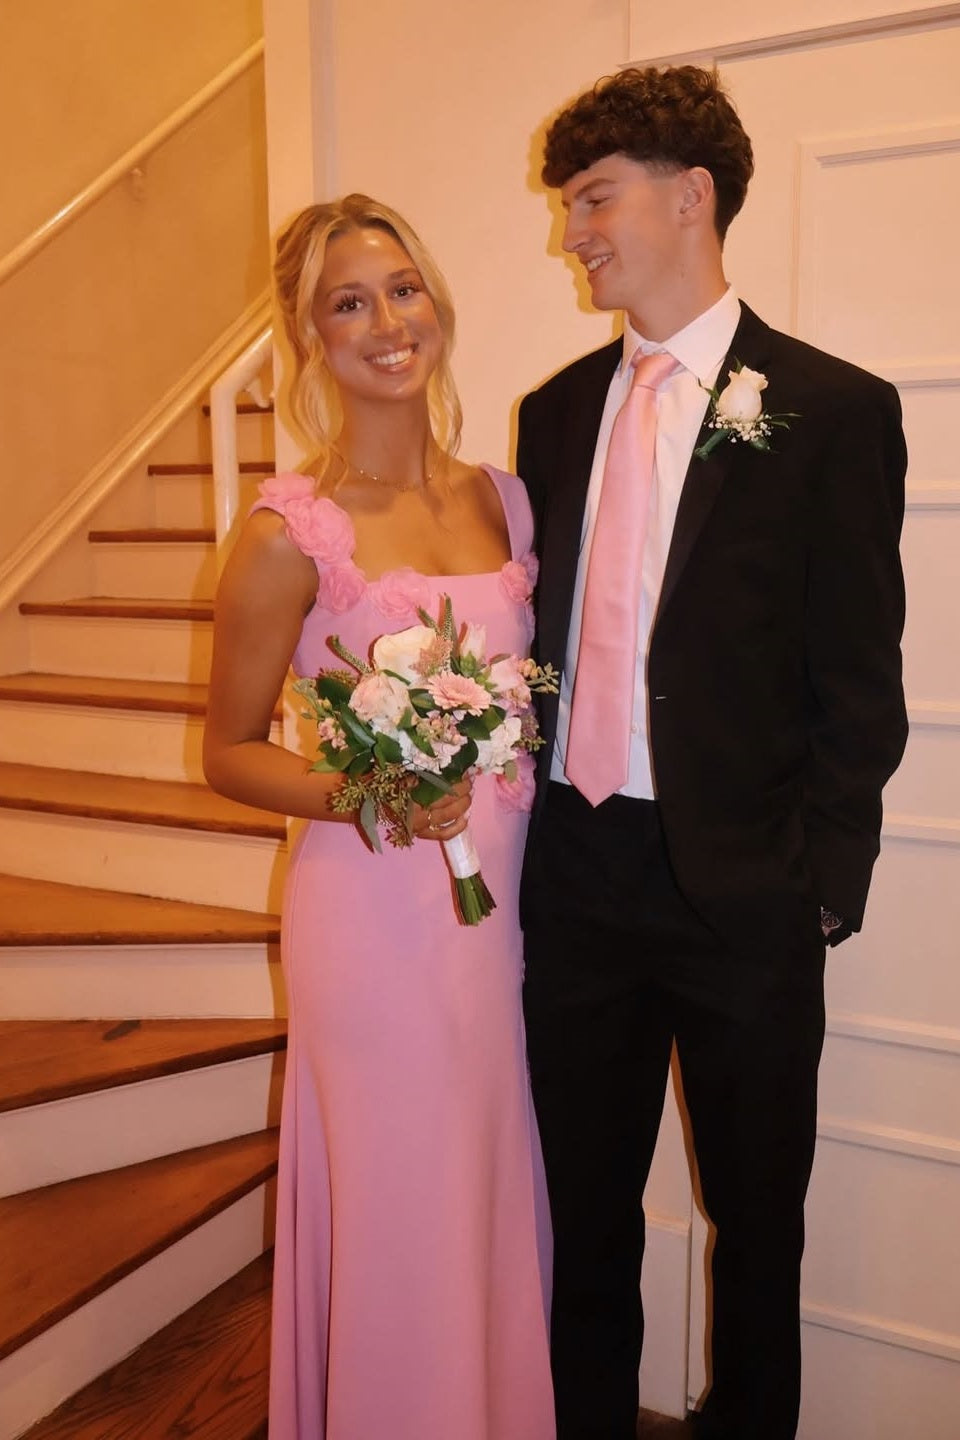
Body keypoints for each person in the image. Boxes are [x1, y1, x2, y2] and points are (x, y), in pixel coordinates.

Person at [516, 66, 908, 1440]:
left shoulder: (832, 409)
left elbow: (859, 678)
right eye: (571, 207)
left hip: (745, 891)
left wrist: (820, 888)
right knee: (580, 1215)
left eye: (594, 200)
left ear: (691, 197)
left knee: (756, 1229)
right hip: (577, 876)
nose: (573, 234)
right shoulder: (554, 410)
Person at [203, 193, 555, 1440]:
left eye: (403, 289)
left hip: (493, 920)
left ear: (436, 303)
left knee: (477, 1178)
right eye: (348, 303)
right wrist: (375, 796)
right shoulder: (286, 533)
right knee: (396, 1192)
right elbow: (228, 754)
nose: (388, 322)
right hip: (370, 919)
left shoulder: (508, 503)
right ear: (311, 339)